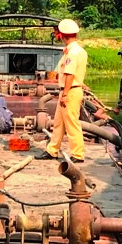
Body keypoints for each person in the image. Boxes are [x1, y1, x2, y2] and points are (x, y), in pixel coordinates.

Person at [37, 19, 87, 163]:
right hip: (70, 90)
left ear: (63, 35)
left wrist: (65, 94)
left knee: (72, 123)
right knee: (59, 123)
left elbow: (70, 74)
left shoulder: (72, 53)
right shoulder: (78, 51)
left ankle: (78, 154)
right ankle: (52, 150)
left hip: (69, 91)